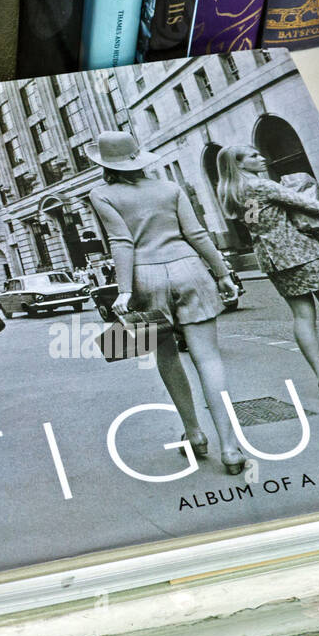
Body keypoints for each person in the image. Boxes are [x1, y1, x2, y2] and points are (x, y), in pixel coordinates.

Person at [86, 131, 245, 474]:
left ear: (105, 163)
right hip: (190, 269)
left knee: (167, 357)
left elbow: (121, 241)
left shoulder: (101, 194)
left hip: (145, 278)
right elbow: (197, 233)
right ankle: (230, 448)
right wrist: (222, 274)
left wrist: (124, 290)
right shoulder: (169, 189)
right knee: (209, 360)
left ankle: (194, 434)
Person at [215, 145, 319, 399]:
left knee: (302, 316)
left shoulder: (233, 192)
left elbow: (254, 222)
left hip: (272, 258)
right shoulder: (263, 186)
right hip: (302, 251)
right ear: (238, 164)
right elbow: (313, 206)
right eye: (253, 156)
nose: (262, 158)